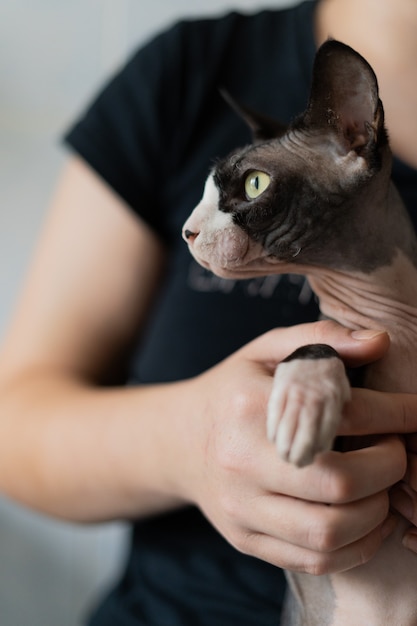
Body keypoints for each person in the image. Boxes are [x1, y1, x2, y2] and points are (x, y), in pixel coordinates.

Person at [0, 0, 416, 623]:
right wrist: (188, 441)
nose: (197, 232)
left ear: (354, 136)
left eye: (250, 188)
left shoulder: (339, 158)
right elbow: (13, 420)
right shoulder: (193, 69)